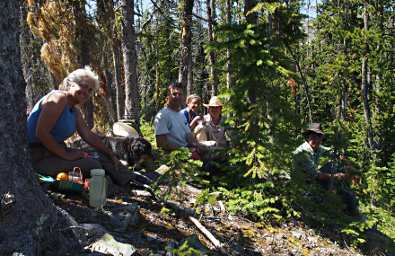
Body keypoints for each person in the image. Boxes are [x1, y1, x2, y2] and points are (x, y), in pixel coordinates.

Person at [27, 66, 131, 186]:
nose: (86, 92)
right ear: (71, 84)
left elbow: (88, 136)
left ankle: (127, 180)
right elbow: (41, 133)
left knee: (100, 157)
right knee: (92, 165)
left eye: (90, 90)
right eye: (83, 86)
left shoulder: (74, 111)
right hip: (36, 157)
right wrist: (67, 155)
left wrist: (110, 153)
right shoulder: (58, 98)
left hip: (53, 153)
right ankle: (68, 184)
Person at [292, 123, 359, 216]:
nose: (315, 139)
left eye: (318, 137)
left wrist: (351, 169)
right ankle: (346, 210)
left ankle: (348, 208)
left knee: (334, 165)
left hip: (311, 181)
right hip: (303, 185)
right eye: (312, 137)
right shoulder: (303, 152)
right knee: (331, 171)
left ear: (321, 138)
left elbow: (334, 153)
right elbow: (316, 175)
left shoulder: (317, 148)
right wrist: (336, 177)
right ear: (308, 137)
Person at [154, 82, 198, 152]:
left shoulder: (181, 114)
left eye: (180, 94)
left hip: (187, 150)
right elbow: (161, 144)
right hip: (174, 156)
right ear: (168, 96)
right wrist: (186, 150)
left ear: (183, 97)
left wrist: (197, 145)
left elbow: (188, 135)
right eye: (174, 94)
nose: (177, 96)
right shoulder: (162, 115)